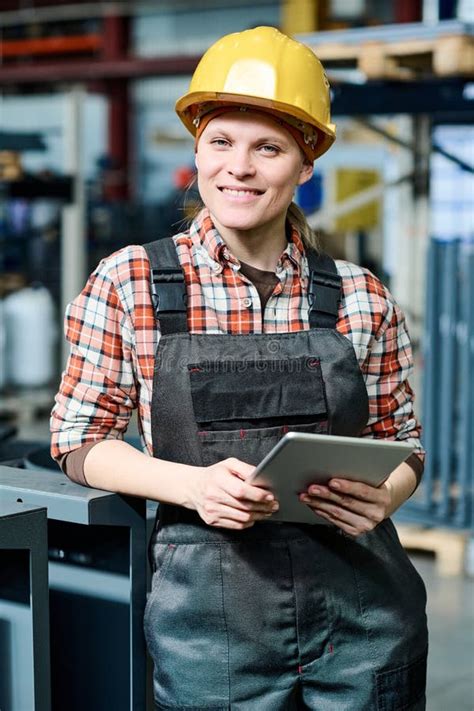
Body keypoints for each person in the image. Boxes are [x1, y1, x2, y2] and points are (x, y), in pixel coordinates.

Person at [51, 26, 428, 710]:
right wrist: (191, 485)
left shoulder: (360, 295)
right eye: (221, 142)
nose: (240, 168)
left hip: (365, 620)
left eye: (269, 148)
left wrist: (391, 491)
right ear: (197, 149)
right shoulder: (131, 282)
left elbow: (402, 442)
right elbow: (79, 441)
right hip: (211, 631)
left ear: (305, 164)